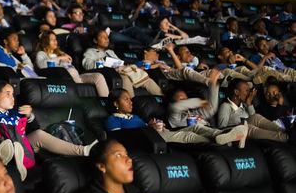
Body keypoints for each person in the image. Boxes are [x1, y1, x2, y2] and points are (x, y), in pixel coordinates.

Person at [0, 81, 96, 180]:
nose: (12, 98)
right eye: (8, 94)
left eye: (13, 95)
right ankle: (16, 166)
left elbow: (34, 129)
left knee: (38, 134)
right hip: (4, 149)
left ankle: (83, 150)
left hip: (23, 146)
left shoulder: (16, 113)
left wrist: (30, 117)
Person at [107, 89, 247, 146]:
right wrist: (148, 129)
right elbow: (119, 138)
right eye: (126, 99)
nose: (130, 102)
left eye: (130, 99)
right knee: (187, 136)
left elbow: (145, 127)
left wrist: (152, 124)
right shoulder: (112, 119)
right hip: (149, 140)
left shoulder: (136, 116)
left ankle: (222, 135)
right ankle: (218, 143)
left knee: (195, 127)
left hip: (158, 133)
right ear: (115, 103)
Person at [82, 29, 163, 96]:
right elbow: (87, 65)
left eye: (107, 37)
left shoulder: (110, 51)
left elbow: (119, 63)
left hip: (122, 71)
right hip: (109, 74)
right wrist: (104, 61)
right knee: (125, 78)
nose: (106, 39)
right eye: (102, 37)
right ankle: (132, 104)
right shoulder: (90, 52)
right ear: (95, 40)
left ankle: (163, 100)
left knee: (148, 80)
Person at [34, 31, 109, 97]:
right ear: (45, 41)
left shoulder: (60, 53)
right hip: (62, 79)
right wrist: (60, 58)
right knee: (70, 72)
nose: (55, 41)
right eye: (52, 39)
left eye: (55, 39)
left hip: (77, 77)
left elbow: (70, 63)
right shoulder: (41, 54)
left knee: (98, 76)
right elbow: (42, 65)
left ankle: (105, 102)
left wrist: (67, 59)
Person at [217, 78, 288, 142]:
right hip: (236, 134)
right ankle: (284, 137)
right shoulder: (225, 106)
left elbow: (254, 119)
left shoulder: (244, 106)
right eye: (247, 91)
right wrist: (239, 127)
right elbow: (221, 129)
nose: (249, 93)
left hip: (248, 131)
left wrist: (249, 103)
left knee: (256, 116)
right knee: (248, 127)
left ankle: (285, 132)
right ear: (236, 92)